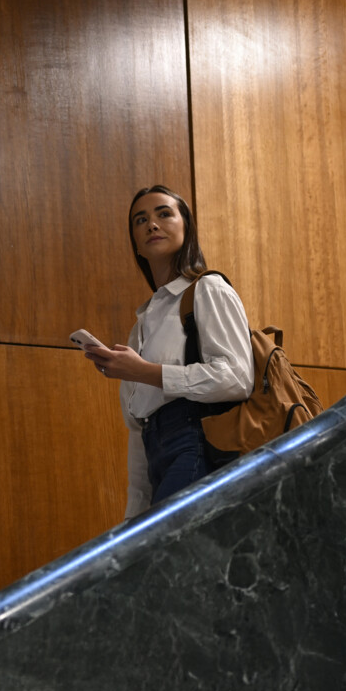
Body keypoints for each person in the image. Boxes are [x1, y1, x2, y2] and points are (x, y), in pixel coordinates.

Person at [83, 185, 256, 517]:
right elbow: (137, 429)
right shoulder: (142, 324)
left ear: (186, 226)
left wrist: (142, 371)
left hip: (199, 443)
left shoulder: (208, 288)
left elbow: (236, 378)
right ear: (135, 241)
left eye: (164, 213)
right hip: (155, 449)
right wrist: (133, 513)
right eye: (140, 219)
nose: (152, 224)